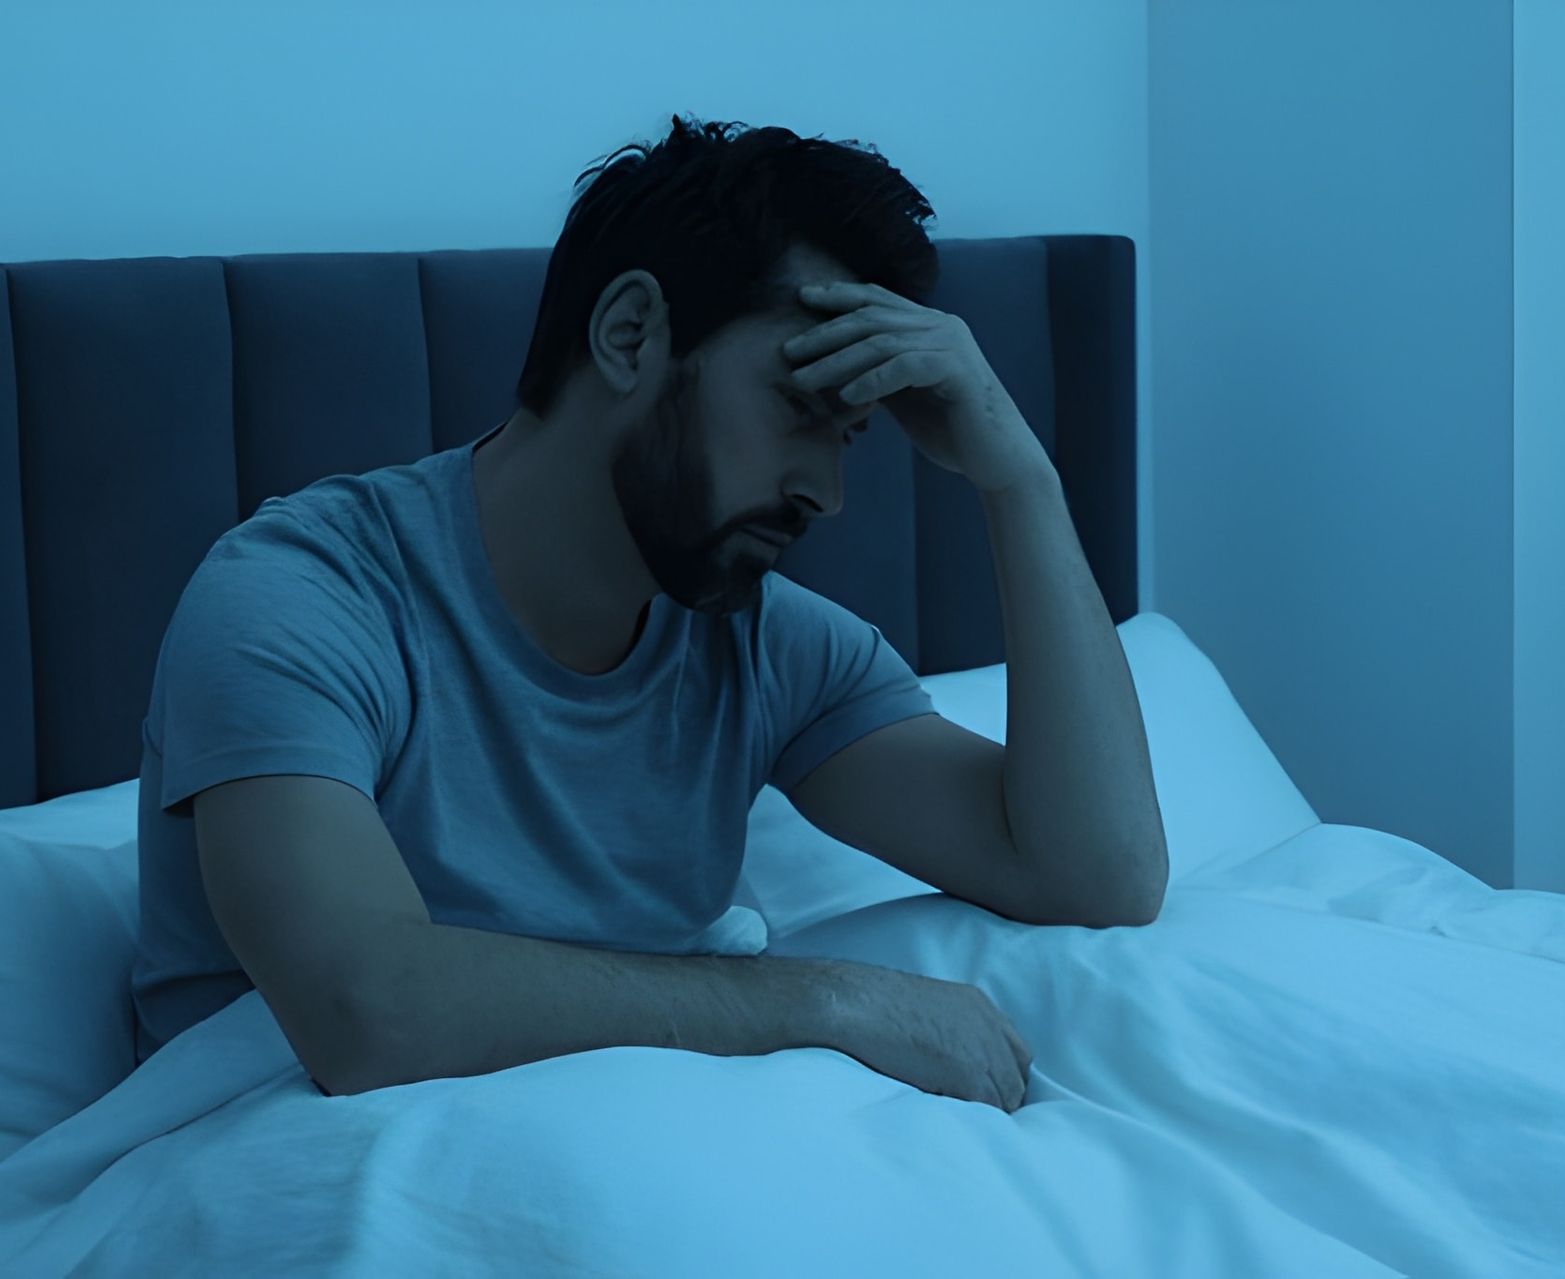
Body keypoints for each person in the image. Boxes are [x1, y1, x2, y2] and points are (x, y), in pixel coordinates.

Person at [131, 115, 1052, 1114]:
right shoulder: (302, 596)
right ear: (629, 334)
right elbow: (365, 1013)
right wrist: (823, 998)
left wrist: (1021, 481)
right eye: (798, 410)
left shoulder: (764, 647)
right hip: (278, 1172)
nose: (826, 492)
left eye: (852, 437)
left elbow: (1084, 872)